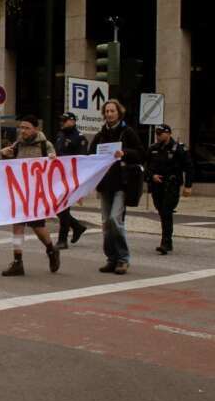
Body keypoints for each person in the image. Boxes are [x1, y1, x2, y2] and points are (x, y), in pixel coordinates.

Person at [0, 115, 62, 276]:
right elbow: (10, 165)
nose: (23, 131)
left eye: (27, 128)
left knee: (37, 226)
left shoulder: (45, 145)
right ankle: (17, 261)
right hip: (20, 192)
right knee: (17, 225)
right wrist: (4, 154)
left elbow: (56, 165)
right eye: (21, 127)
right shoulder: (17, 144)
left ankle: (51, 249)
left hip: (37, 194)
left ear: (36, 129)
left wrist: (53, 159)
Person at [89, 99, 145, 275]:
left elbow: (141, 153)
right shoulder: (100, 135)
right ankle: (111, 258)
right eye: (106, 111)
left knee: (115, 220)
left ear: (119, 113)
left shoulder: (127, 132)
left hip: (122, 184)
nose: (109, 114)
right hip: (105, 185)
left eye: (112, 111)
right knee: (106, 223)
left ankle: (123, 258)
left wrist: (125, 153)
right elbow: (90, 156)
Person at [146, 123, 193, 255]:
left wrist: (188, 186)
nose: (158, 136)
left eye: (160, 134)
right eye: (157, 134)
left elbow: (189, 167)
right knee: (161, 211)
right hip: (157, 186)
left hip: (171, 185)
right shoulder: (153, 149)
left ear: (168, 133)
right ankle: (167, 241)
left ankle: (165, 243)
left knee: (166, 211)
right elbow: (146, 166)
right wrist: (152, 176)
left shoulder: (178, 148)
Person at [54, 112, 89, 249]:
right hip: (59, 176)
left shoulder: (79, 138)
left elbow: (82, 160)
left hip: (71, 177)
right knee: (56, 206)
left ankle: (62, 240)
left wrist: (80, 184)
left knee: (63, 206)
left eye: (65, 120)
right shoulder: (60, 135)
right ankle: (77, 226)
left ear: (73, 121)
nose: (62, 123)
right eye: (61, 120)